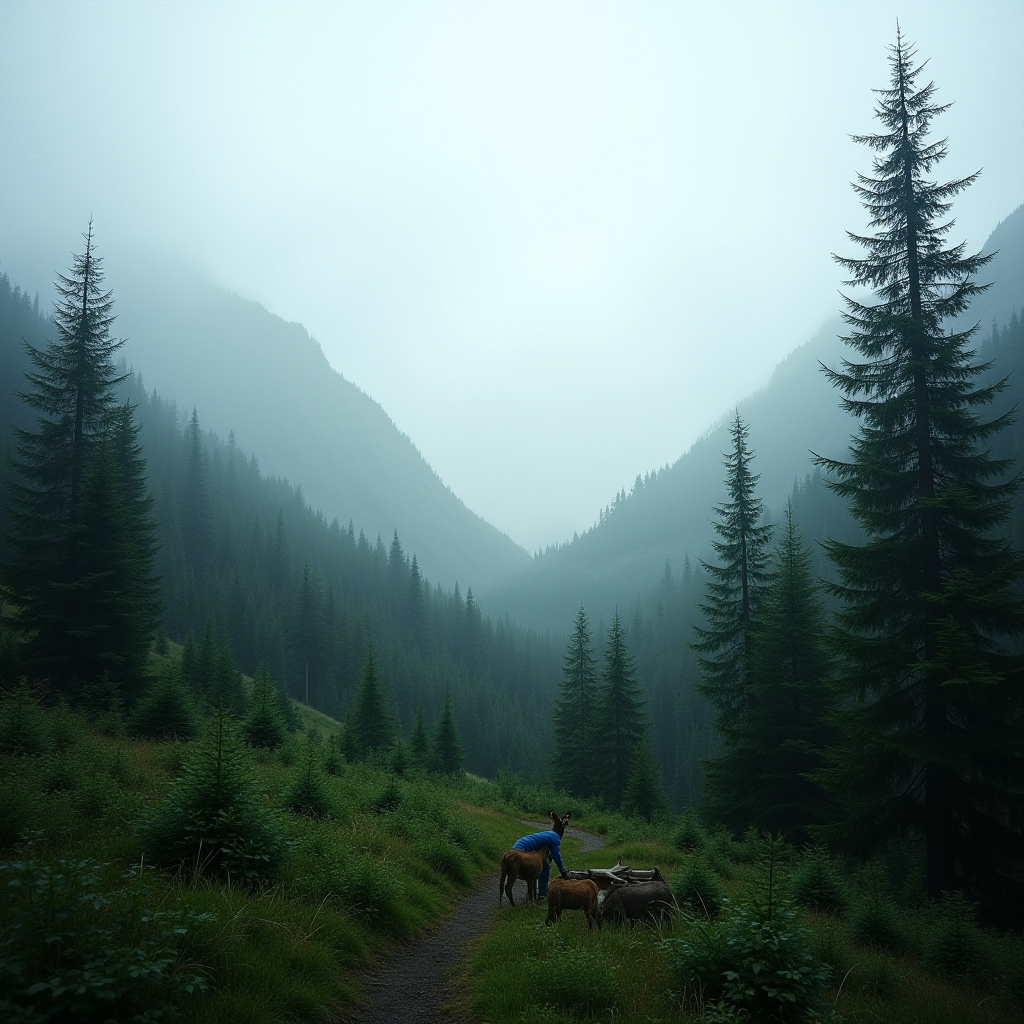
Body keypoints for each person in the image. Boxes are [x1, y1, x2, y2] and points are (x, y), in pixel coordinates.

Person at [512, 821, 568, 898]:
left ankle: (531, 889)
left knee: (541, 863)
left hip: (516, 848)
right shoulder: (556, 837)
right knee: (545, 867)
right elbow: (556, 855)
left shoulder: (548, 834)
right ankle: (542, 892)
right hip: (522, 852)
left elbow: (549, 854)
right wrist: (562, 871)